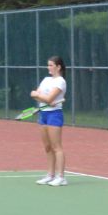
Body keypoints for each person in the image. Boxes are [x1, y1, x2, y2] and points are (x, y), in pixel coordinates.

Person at [31, 56, 68, 186]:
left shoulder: (61, 81)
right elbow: (37, 95)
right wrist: (41, 97)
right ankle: (50, 175)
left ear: (58, 67)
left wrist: (39, 96)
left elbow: (47, 98)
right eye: (48, 65)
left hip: (55, 115)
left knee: (56, 147)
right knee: (47, 147)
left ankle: (61, 177)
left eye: (51, 65)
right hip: (43, 114)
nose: (49, 68)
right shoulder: (46, 79)